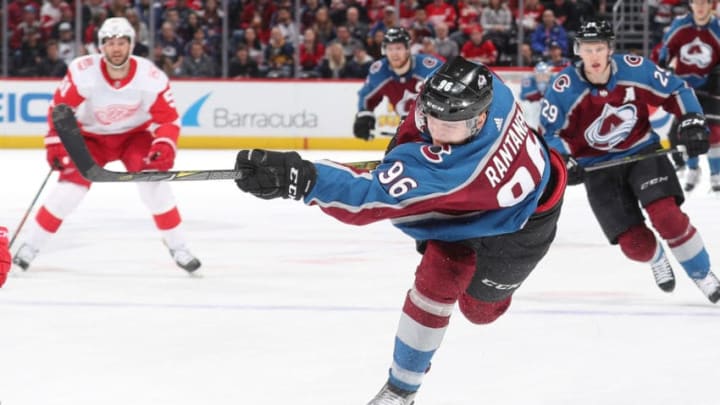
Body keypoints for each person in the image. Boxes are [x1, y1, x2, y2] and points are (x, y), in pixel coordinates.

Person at [233, 56, 567, 404]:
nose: (436, 130)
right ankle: (401, 391)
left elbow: (364, 198)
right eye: (431, 114)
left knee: (479, 312)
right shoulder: (490, 86)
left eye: (450, 124)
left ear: (478, 119)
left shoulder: (459, 172)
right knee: (441, 270)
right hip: (492, 200)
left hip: (521, 228)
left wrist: (298, 178)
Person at [539, 19, 720, 303]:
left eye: (599, 48)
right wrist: (563, 159)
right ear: (578, 51)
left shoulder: (635, 68)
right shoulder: (563, 89)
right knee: (635, 245)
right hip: (597, 169)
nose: (594, 56)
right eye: (588, 50)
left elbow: (677, 89)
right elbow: (550, 133)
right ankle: (657, 257)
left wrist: (692, 120)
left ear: (610, 48)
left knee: (667, 217)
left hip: (641, 153)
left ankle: (703, 274)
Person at [12, 17, 201, 274]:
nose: (116, 48)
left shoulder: (150, 76)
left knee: (154, 184)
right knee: (69, 190)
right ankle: (31, 246)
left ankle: (179, 246)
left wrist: (164, 146)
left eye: (121, 42)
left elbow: (167, 119)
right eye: (110, 43)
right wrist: (56, 145)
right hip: (90, 139)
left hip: (134, 137)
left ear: (131, 44)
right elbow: (60, 109)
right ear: (101, 46)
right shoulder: (83, 71)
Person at [658, 0, 720, 192]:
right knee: (689, 129)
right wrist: (663, 66)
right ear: (691, 5)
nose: (700, 7)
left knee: (715, 131)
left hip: (711, 87)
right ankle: (693, 169)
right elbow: (666, 49)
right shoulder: (680, 24)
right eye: (696, 3)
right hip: (685, 88)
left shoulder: (717, 27)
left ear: (712, 5)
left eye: (704, 3)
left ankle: (716, 174)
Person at [353, 27, 442, 140]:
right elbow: (366, 97)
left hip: (439, 129)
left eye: (398, 48)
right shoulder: (380, 72)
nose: (394, 53)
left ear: (407, 49)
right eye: (390, 49)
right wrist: (364, 115)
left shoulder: (429, 67)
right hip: (408, 130)